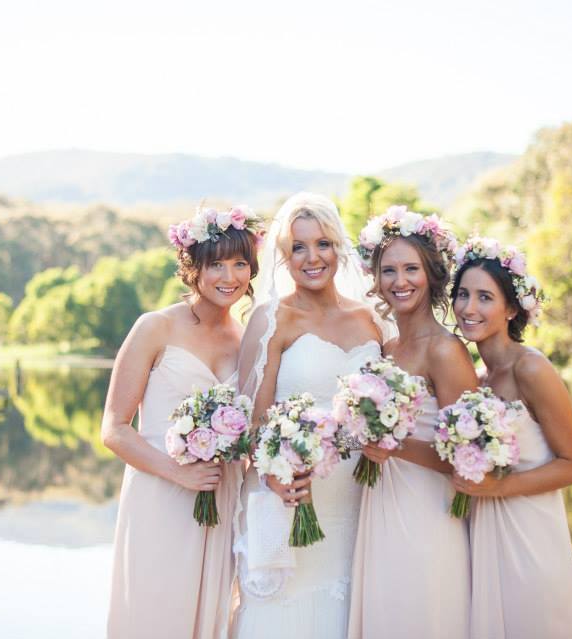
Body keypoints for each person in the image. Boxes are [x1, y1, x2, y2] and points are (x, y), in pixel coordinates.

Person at [103, 205, 263, 639]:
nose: (229, 276)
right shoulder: (154, 328)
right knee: (158, 613)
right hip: (161, 494)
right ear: (194, 269)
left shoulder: (249, 339)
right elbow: (114, 429)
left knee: (213, 616)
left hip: (222, 495)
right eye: (216, 264)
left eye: (240, 263)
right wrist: (178, 472)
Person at [231, 193, 385, 639]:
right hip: (292, 499)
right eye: (298, 247)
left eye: (323, 244)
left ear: (339, 248)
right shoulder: (272, 318)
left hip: (358, 499)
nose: (312, 257)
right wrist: (273, 473)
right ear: (284, 257)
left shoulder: (371, 319)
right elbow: (252, 423)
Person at [346, 208, 477, 638]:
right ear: (376, 278)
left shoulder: (445, 350)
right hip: (380, 501)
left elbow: (468, 459)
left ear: (431, 274)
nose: (399, 281)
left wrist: (393, 446)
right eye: (388, 271)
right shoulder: (386, 346)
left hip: (427, 510)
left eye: (410, 269)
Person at [450, 236, 572, 639]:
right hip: (487, 533)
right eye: (462, 294)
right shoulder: (476, 378)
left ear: (511, 308)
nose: (469, 308)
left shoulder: (532, 369)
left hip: (532, 538)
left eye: (484, 297)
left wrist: (498, 488)